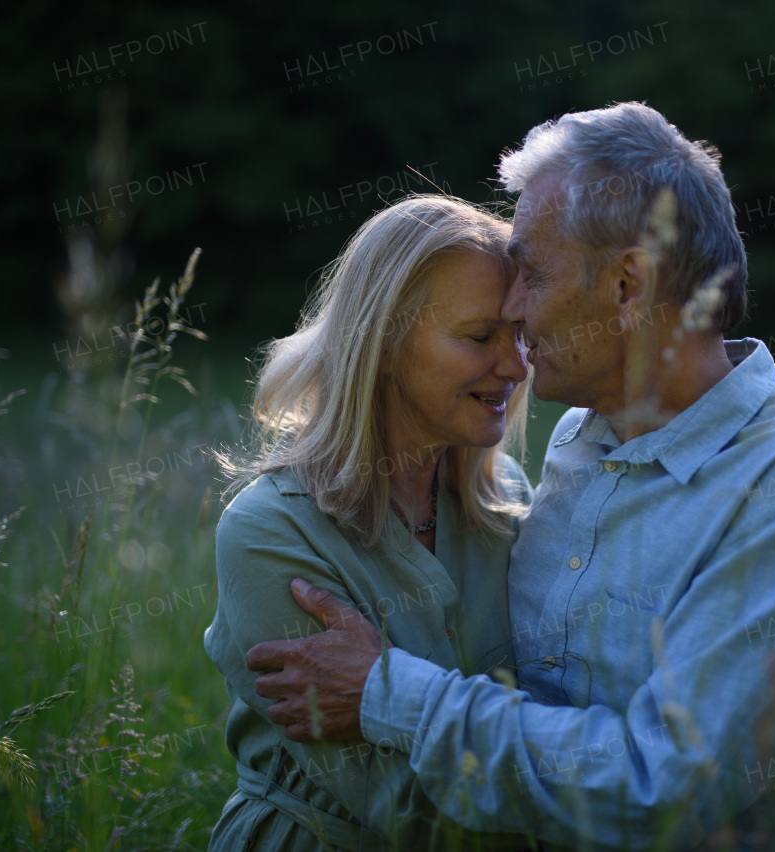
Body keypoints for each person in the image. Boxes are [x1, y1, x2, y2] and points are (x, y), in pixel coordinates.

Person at [247, 103, 775, 850]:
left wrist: (387, 695)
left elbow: (666, 791)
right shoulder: (577, 444)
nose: (513, 307)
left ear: (629, 285)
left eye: (528, 271)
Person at [203, 195, 536, 851]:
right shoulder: (270, 531)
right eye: (479, 337)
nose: (518, 366)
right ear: (381, 341)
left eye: (520, 333)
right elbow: (402, 809)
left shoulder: (510, 504)